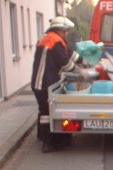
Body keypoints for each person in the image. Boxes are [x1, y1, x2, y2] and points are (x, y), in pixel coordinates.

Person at [31, 16, 90, 153]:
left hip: (39, 82)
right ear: (61, 30)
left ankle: (41, 136)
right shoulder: (56, 41)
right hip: (44, 83)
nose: (67, 33)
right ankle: (49, 143)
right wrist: (82, 72)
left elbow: (68, 53)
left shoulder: (47, 38)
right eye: (66, 31)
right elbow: (65, 63)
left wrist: (83, 60)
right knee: (47, 112)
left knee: (43, 109)